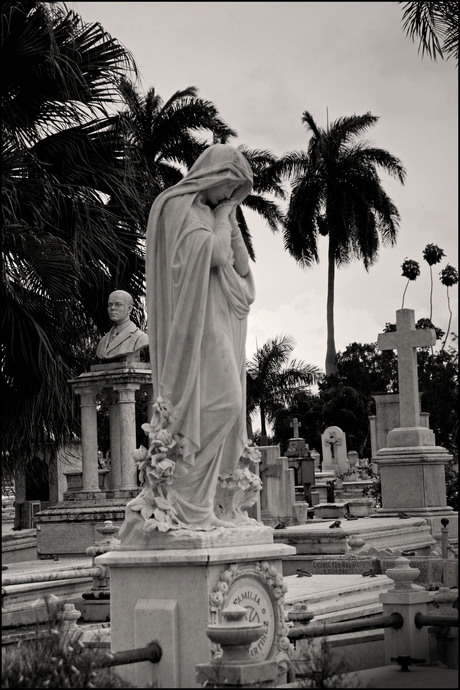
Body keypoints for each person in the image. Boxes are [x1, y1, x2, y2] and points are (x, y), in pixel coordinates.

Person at [123, 143, 255, 533]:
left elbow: (242, 268)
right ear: (212, 175)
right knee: (225, 402)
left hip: (216, 315)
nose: (230, 197)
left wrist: (229, 219)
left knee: (230, 404)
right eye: (228, 187)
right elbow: (213, 255)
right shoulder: (178, 206)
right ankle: (184, 499)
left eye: (236, 192)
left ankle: (203, 503)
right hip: (194, 325)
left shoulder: (214, 212)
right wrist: (223, 218)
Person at [96, 290, 149, 361]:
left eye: (118, 304)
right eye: (110, 304)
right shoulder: (103, 341)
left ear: (129, 309)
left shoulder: (141, 338)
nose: (112, 308)